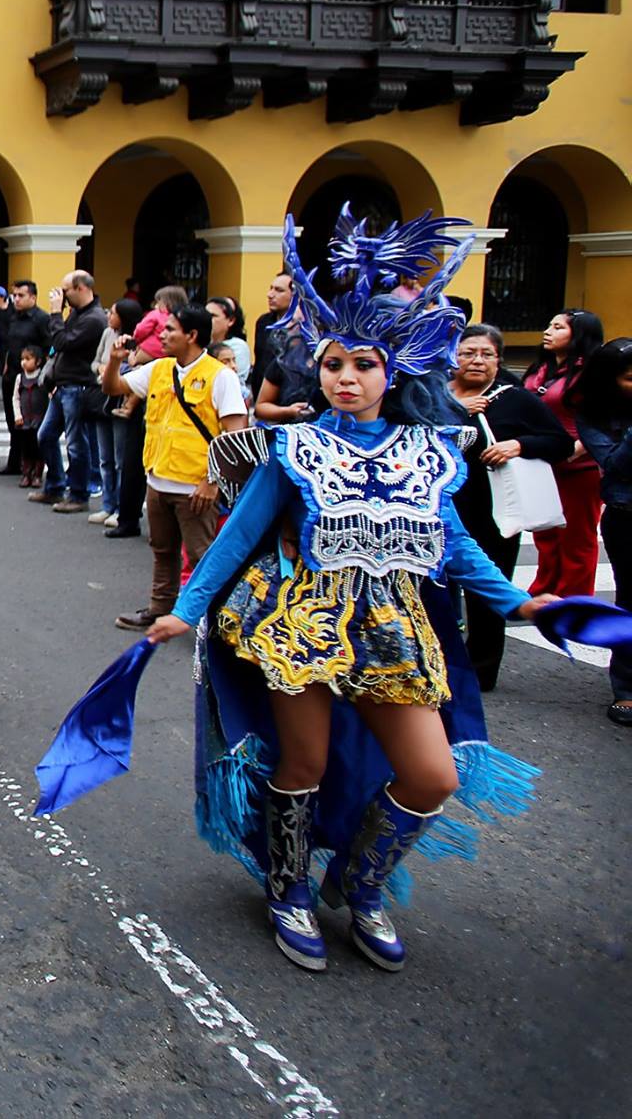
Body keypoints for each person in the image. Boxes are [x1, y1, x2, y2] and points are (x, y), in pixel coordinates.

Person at [143, 212, 552, 976]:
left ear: (390, 374)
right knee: (305, 764)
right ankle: (288, 885)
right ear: (319, 369)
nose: (346, 378)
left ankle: (361, 883)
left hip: (394, 626)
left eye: (363, 364)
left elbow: (454, 544)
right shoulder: (297, 445)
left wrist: (515, 603)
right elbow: (239, 536)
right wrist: (185, 609)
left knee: (433, 774)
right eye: (334, 364)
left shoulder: (425, 452)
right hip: (301, 620)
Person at [104, 304, 250, 630]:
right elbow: (113, 388)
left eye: (170, 329)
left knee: (202, 556)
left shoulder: (220, 376)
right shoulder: (159, 369)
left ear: (192, 335)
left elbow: (236, 437)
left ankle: (213, 620)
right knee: (163, 550)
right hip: (159, 480)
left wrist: (212, 481)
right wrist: (114, 361)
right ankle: (160, 609)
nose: (162, 334)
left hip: (196, 486)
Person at [447, 324, 570, 691]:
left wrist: (518, 444)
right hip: (439, 504)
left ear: (499, 360)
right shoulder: (433, 394)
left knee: (489, 584)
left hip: (494, 508)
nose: (477, 361)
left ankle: (480, 671)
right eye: (468, 353)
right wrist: (455, 408)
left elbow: (560, 442)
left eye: (487, 354)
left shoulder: (514, 398)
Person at [568, 336, 632, 726]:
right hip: (627, 517)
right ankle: (626, 687)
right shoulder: (592, 417)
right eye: (629, 378)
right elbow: (616, 465)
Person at [522, 309, 606, 596]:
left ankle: (575, 597)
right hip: (540, 460)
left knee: (577, 535)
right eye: (549, 324)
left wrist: (580, 448)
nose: (548, 331)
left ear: (579, 334)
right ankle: (544, 590)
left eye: (558, 327)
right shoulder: (541, 368)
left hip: (578, 465)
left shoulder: (593, 371)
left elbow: (605, 418)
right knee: (545, 531)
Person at [33, 271, 107, 511]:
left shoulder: (94, 319)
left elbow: (62, 342)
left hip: (77, 386)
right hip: (63, 385)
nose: (62, 296)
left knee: (76, 444)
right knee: (45, 436)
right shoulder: (78, 314)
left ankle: (78, 494)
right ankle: (55, 486)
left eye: (66, 290)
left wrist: (55, 313)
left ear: (82, 288)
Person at [88, 297, 144, 529]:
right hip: (102, 399)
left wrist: (116, 368)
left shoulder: (137, 340)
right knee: (105, 458)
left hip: (122, 400)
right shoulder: (107, 334)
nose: (109, 316)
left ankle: (123, 507)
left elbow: (136, 370)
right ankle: (108, 504)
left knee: (122, 459)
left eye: (113, 313)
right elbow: (94, 362)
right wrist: (103, 367)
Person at [0, 280, 51, 477]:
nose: (16, 299)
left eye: (21, 295)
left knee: (32, 423)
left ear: (33, 297)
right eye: (15, 295)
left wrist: (42, 375)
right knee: (14, 420)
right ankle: (15, 462)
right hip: (12, 374)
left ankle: (34, 466)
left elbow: (48, 348)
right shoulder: (14, 317)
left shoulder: (41, 319)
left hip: (33, 377)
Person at [250, 272, 294, 400]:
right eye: (271, 288)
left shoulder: (305, 327)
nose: (270, 295)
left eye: (279, 290)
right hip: (261, 400)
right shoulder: (264, 322)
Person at [9, 345, 48, 489]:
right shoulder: (20, 378)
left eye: (28, 359)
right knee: (25, 447)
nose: (24, 362)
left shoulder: (43, 377)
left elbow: (48, 396)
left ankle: (37, 474)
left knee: (38, 448)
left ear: (38, 362)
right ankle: (26, 473)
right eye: (22, 359)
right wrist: (17, 415)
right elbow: (16, 398)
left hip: (39, 418)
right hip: (25, 420)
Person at [207, 297, 252, 382]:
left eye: (213, 316)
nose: (207, 320)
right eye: (205, 315)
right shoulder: (199, 343)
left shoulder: (238, 346)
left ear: (231, 320)